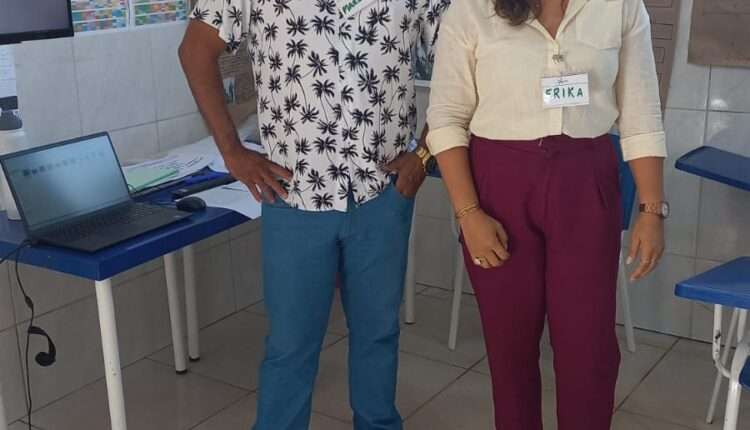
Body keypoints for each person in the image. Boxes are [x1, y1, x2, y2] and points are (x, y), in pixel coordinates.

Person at [179, 0, 450, 428]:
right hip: (295, 196)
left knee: (378, 335)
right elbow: (195, 50)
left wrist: (424, 152)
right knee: (291, 346)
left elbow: (462, 58)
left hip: (382, 192)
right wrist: (232, 151)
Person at [426, 0, 668, 428]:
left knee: (588, 346)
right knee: (510, 346)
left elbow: (641, 113)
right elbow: (446, 118)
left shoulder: (620, 6)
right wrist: (468, 212)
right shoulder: (471, 9)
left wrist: (651, 208)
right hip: (497, 189)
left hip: (585, 184)